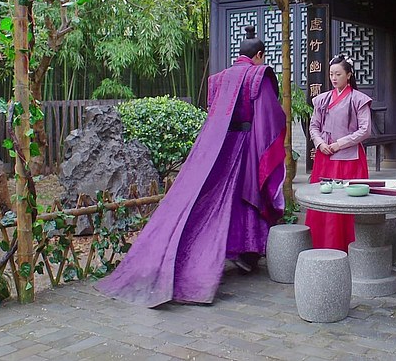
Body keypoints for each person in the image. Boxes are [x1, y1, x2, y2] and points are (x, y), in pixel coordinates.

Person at [95, 26, 286, 307]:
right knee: (246, 197)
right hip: (246, 146)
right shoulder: (259, 75)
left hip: (218, 149)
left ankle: (221, 254)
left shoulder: (219, 79)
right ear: (258, 55)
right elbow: (270, 116)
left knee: (210, 201)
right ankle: (245, 252)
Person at [306, 54, 372, 251]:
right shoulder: (322, 99)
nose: (334, 78)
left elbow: (365, 130)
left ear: (349, 75)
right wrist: (319, 143)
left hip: (349, 159)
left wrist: (339, 144)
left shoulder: (358, 99)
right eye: (331, 74)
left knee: (347, 202)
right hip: (325, 156)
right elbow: (313, 126)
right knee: (324, 201)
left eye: (338, 74)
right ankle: (321, 245)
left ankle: (349, 247)